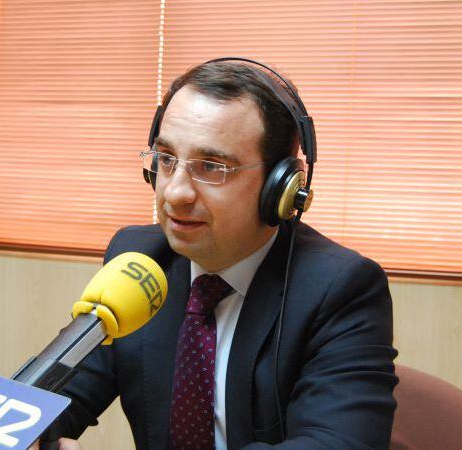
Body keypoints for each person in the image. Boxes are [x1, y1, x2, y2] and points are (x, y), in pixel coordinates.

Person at [40, 59, 398, 450]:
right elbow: (49, 397)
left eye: (211, 167)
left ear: (280, 188)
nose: (175, 193)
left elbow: (336, 444)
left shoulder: (341, 289)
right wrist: (30, 435)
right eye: (166, 159)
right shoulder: (140, 261)